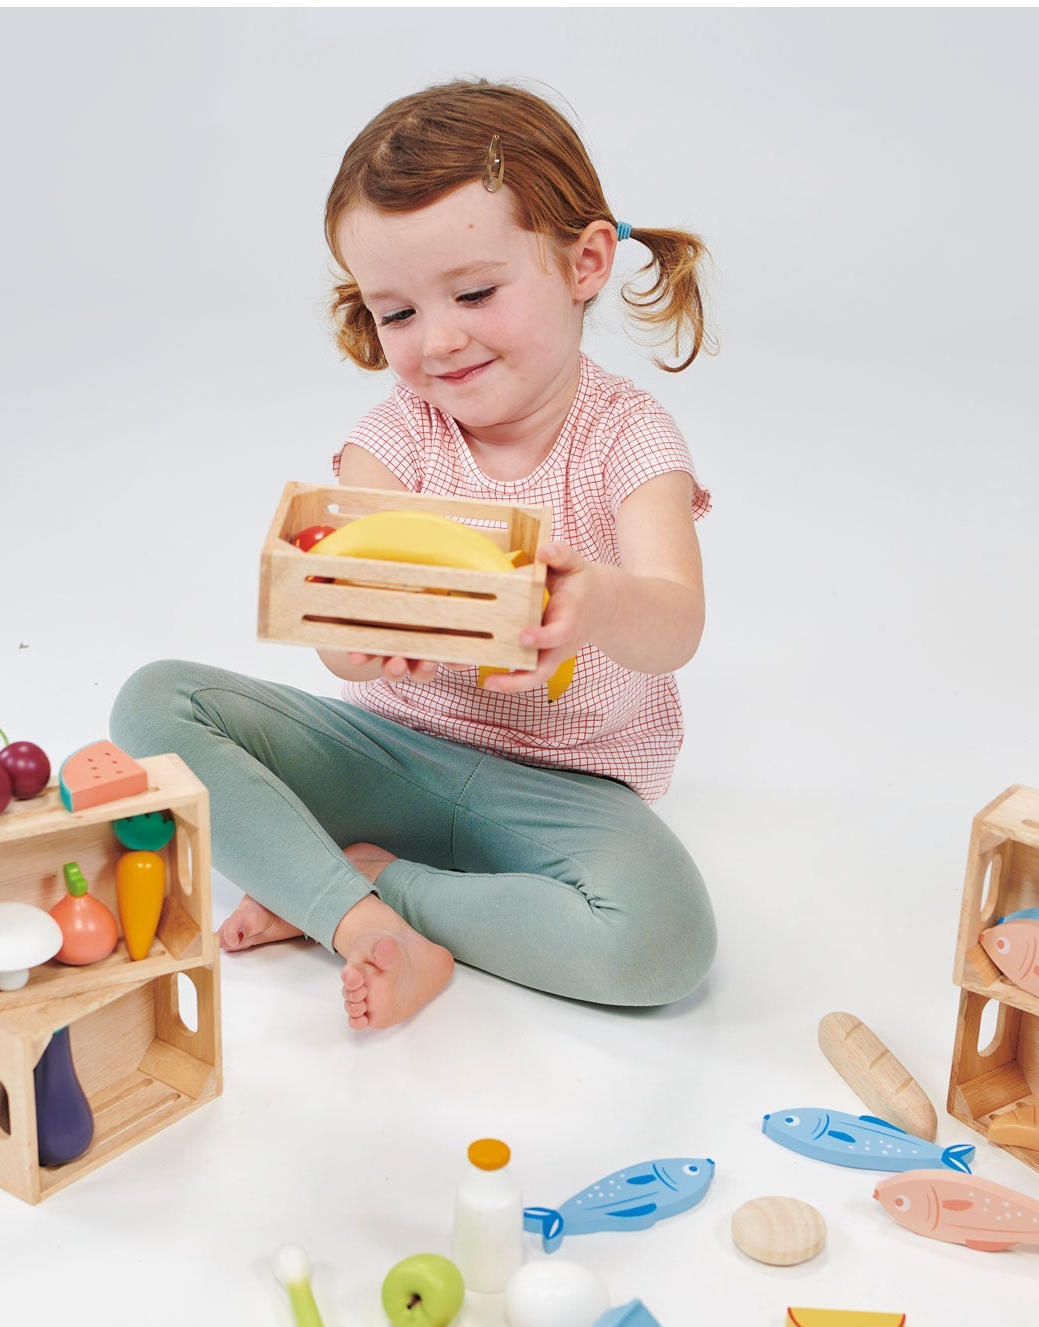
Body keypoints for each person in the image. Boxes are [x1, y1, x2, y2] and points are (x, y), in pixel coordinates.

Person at [110, 79, 717, 1030]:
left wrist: (598, 603)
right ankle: (361, 927)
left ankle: (368, 884)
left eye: (474, 293)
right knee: (153, 705)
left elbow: (676, 622)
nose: (438, 341)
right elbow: (338, 645)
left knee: (664, 943)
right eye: (396, 313)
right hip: (392, 758)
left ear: (585, 261)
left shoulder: (628, 437)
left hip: (565, 793)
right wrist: (361, 640)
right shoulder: (393, 441)